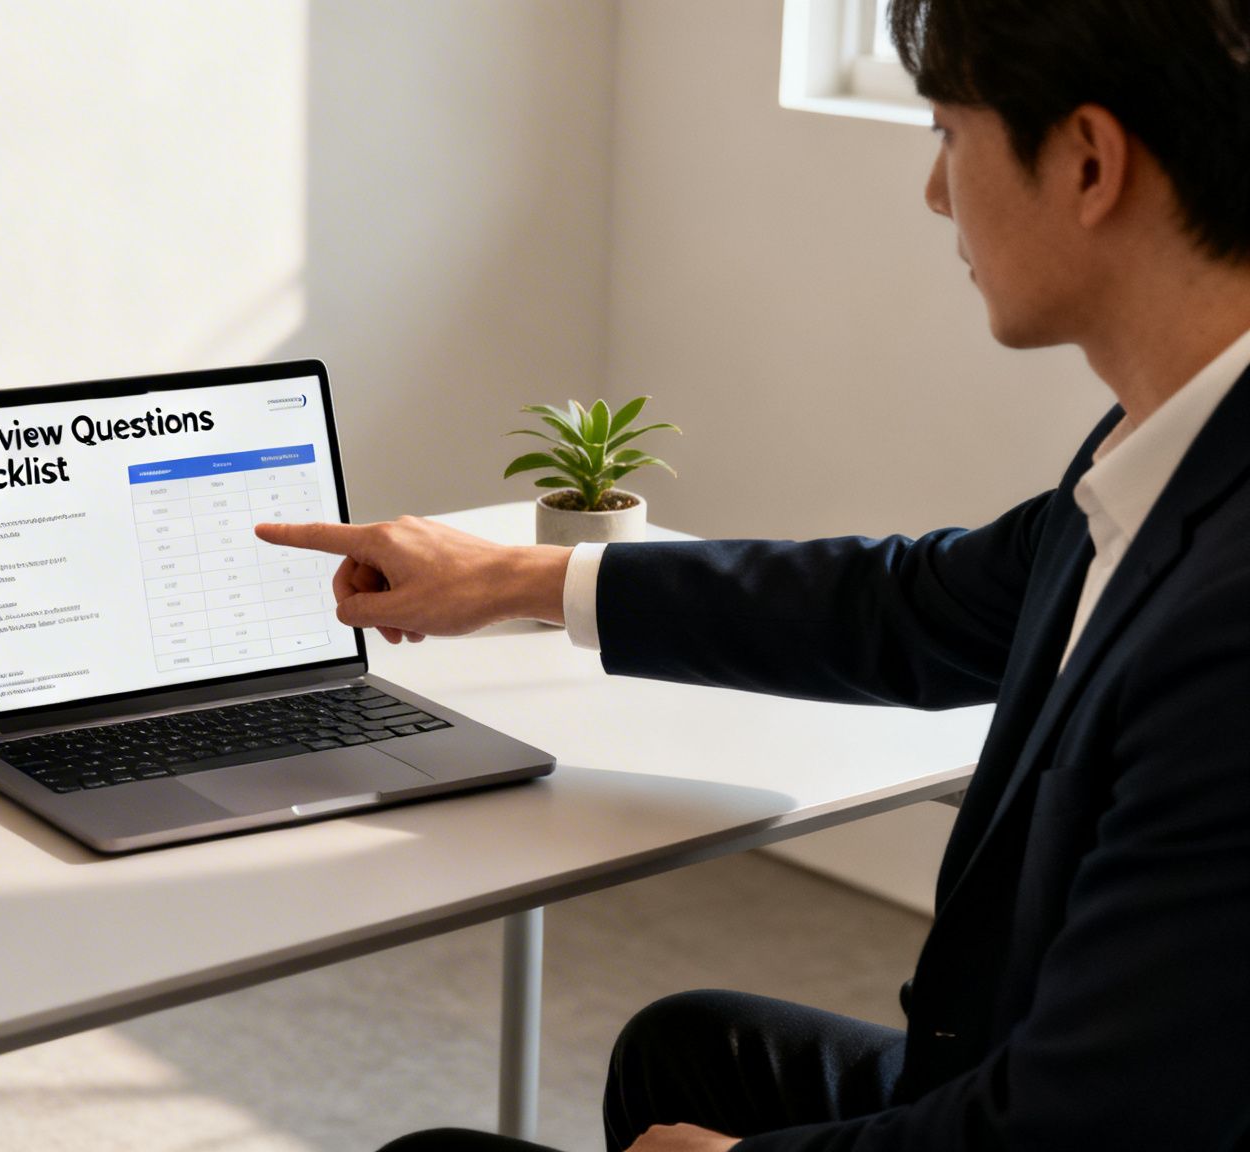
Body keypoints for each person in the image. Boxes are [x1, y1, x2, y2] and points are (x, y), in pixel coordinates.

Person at [257, 0, 1250, 1148]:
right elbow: (909, 607)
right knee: (691, 1053)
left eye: (943, 133)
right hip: (1029, 1064)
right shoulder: (1164, 447)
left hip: (1063, 1115)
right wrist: (515, 579)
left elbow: (1088, 1130)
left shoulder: (1225, 634)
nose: (934, 192)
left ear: (1086, 163)